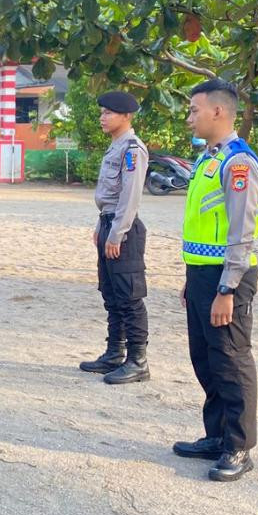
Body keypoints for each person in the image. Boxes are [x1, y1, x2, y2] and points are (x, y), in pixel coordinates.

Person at [172, 79, 258, 483]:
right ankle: (216, 436)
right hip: (202, 274)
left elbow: (242, 232)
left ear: (218, 111)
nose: (189, 118)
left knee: (230, 360)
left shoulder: (238, 163)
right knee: (206, 359)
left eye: (194, 110)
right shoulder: (209, 159)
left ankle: (239, 446)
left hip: (228, 278)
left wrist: (227, 289)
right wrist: (191, 278)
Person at [80, 91, 150, 385]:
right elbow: (110, 197)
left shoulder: (132, 149)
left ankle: (138, 361)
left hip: (124, 230)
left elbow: (130, 197)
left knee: (129, 297)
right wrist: (102, 226)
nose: (102, 117)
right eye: (102, 112)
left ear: (126, 116)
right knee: (111, 294)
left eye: (108, 113)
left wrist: (117, 233)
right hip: (109, 223)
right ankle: (114, 353)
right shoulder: (116, 147)